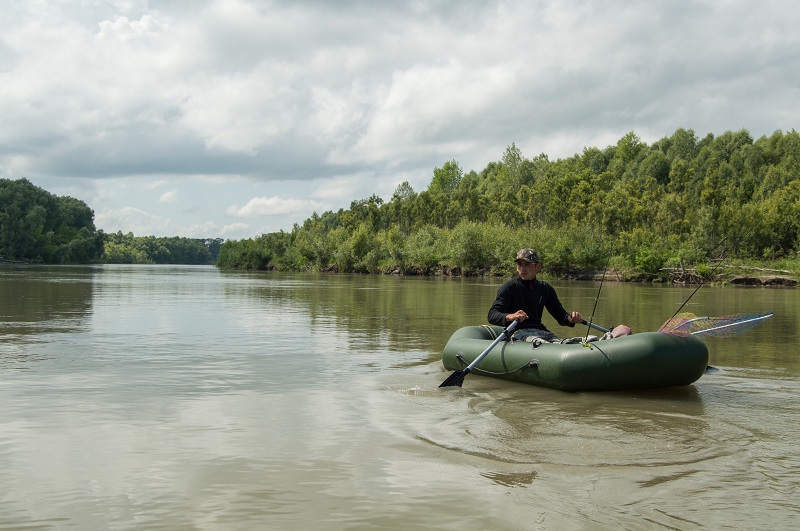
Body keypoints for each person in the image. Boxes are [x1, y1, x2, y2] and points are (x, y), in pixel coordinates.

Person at [487, 248, 584, 343]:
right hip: (517, 332)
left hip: (540, 331)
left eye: (527, 264)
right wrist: (511, 316)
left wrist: (571, 319)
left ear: (537, 267)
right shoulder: (509, 287)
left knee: (558, 343)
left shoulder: (545, 288)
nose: (523, 268)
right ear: (516, 267)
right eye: (519, 264)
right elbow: (492, 315)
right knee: (540, 343)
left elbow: (560, 315)